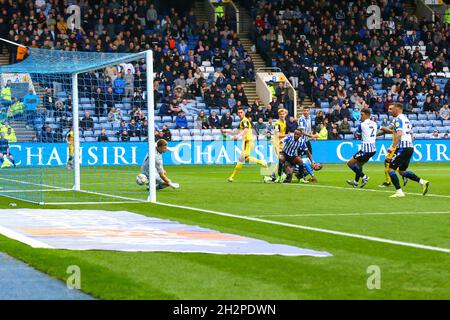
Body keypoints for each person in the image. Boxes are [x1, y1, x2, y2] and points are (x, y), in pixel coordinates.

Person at [387, 103, 429, 197]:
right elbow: (412, 136)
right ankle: (423, 182)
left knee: (390, 169)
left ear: (397, 109)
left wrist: (393, 146)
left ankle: (399, 192)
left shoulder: (398, 119)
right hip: (410, 147)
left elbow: (399, 134)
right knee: (401, 171)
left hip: (403, 148)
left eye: (392, 109)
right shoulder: (407, 120)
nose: (391, 111)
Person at [228, 107, 268, 182]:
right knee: (244, 159)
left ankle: (232, 177)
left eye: (241, 112)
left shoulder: (245, 120)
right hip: (246, 142)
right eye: (238, 113)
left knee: (242, 159)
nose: (239, 114)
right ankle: (262, 163)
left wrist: (238, 136)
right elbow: (243, 130)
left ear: (244, 113)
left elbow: (246, 129)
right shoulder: (242, 121)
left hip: (248, 141)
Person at [346, 108, 377, 188]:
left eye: (362, 114)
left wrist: (358, 134)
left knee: (349, 163)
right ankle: (356, 182)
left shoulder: (362, 125)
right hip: (373, 150)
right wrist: (391, 131)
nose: (361, 116)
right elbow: (382, 129)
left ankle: (364, 177)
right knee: (359, 166)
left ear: (367, 115)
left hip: (365, 150)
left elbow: (358, 135)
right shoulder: (374, 123)